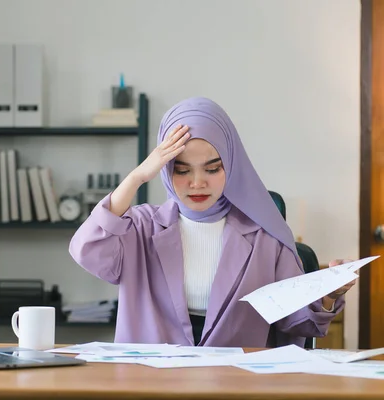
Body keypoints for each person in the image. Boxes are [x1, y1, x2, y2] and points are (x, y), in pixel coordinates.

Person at [69, 97, 355, 348]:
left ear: (230, 164)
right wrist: (136, 178)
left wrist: (328, 296)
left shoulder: (263, 235)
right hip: (150, 383)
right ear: (164, 170)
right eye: (181, 170)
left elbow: (297, 323)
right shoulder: (140, 227)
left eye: (212, 168)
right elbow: (87, 250)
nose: (197, 183)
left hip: (235, 384)